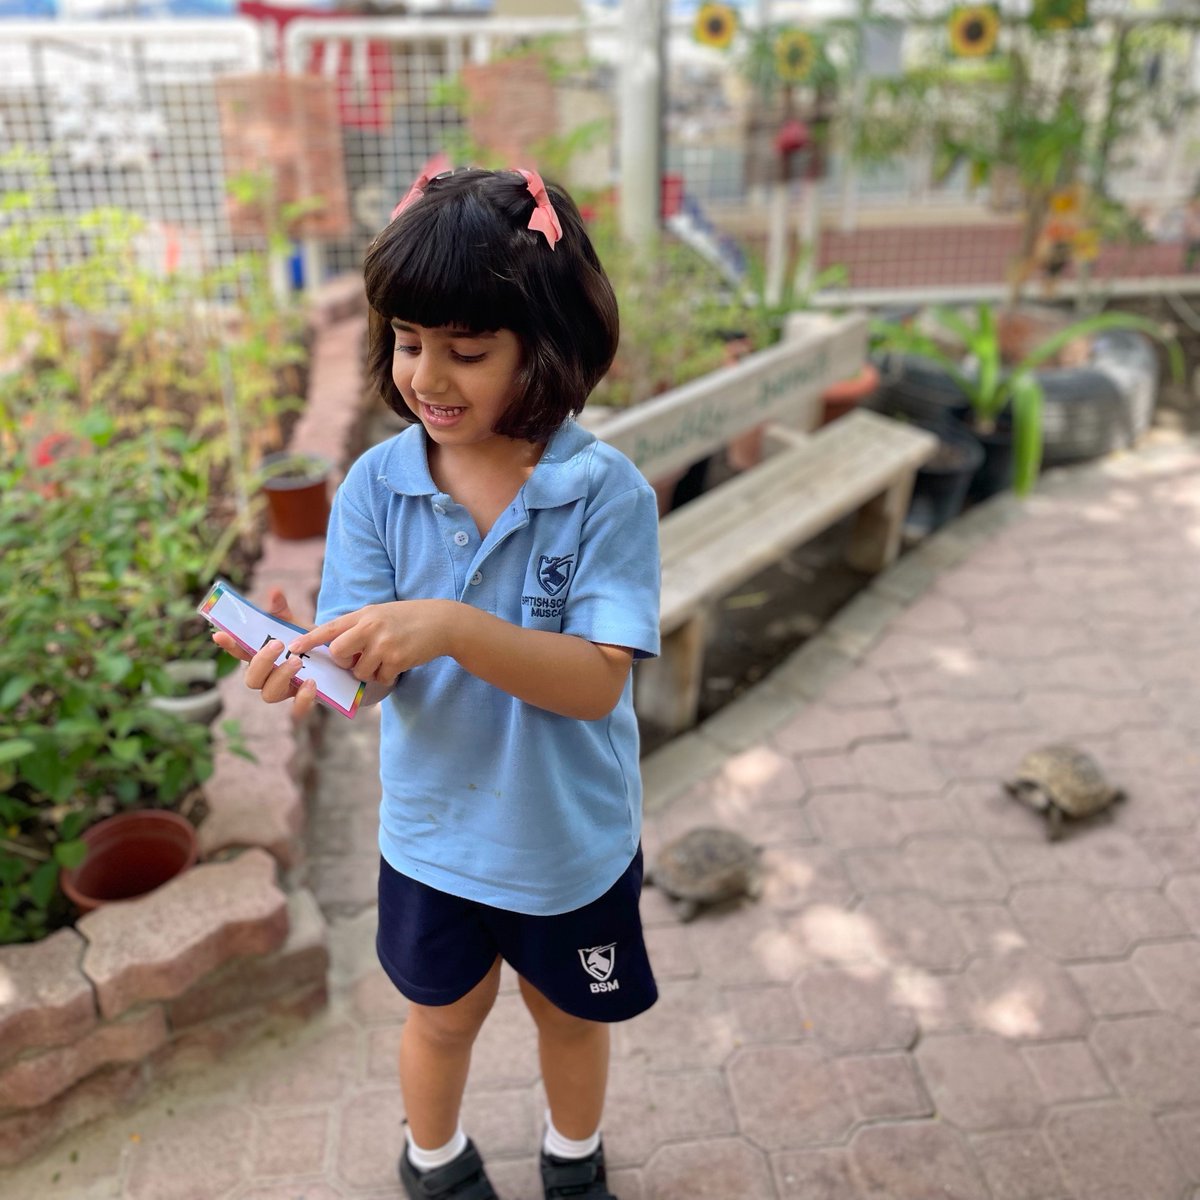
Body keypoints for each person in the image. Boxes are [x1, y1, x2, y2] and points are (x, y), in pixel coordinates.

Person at [213, 163, 662, 1200]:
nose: (428, 377)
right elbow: (370, 677)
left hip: (568, 839)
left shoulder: (603, 494)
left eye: (467, 352)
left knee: (571, 1015)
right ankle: (433, 1161)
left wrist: (455, 628)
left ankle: (574, 1159)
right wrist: (317, 673)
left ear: (545, 350)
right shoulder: (376, 486)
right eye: (409, 342)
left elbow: (597, 684)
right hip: (433, 840)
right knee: (444, 1017)